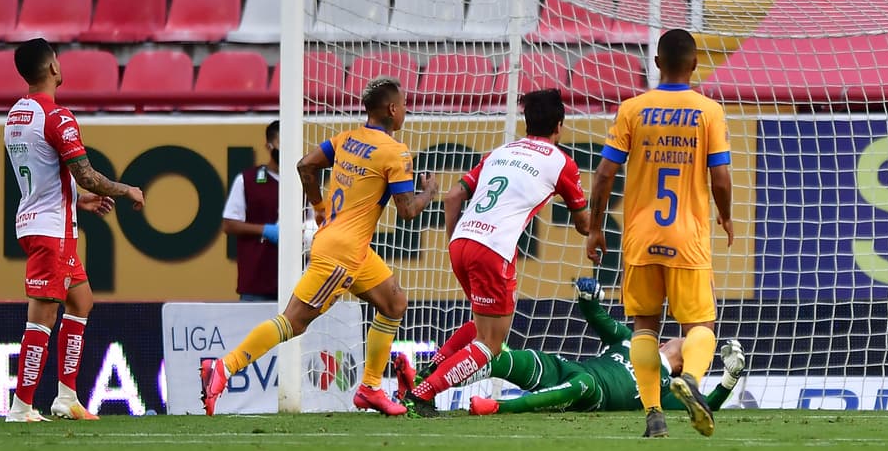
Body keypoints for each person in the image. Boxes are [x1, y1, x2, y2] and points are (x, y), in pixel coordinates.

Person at [200, 77, 439, 417]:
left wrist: (318, 206)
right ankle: (223, 368)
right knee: (293, 322)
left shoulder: (347, 139)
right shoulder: (395, 152)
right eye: (403, 105)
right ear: (391, 109)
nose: (405, 110)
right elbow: (407, 211)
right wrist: (429, 192)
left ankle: (370, 388)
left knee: (394, 302)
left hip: (350, 247)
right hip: (342, 254)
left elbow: (304, 165)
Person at [402, 89, 593, 417]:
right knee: (491, 345)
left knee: (480, 326)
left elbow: (451, 197)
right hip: (493, 250)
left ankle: (426, 370)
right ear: (559, 126)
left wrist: (455, 241)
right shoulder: (562, 162)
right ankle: (423, 392)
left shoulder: (500, 152)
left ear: (526, 121)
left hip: (461, 242)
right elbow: (584, 225)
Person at [587, 28, 734, 439]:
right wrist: (726, 216)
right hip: (687, 236)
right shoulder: (708, 111)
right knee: (700, 325)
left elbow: (603, 174)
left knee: (644, 328)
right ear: (693, 65)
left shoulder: (633, 108)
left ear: (656, 63)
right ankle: (692, 380)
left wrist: (596, 228)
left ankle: (654, 414)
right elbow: (720, 176)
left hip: (639, 238)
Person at [3, 38, 146, 422]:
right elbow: (86, 173)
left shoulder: (17, 115)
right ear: (52, 68)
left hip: (40, 218)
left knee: (81, 301)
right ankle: (21, 406)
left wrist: (75, 200)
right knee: (42, 316)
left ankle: (66, 397)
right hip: (52, 230)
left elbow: (42, 173)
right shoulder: (57, 117)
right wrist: (126, 188)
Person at [431, 278, 745, 417]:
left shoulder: (664, 390)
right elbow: (596, 315)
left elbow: (702, 407)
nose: (687, 341)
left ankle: (498, 407)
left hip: (592, 392)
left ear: (680, 368)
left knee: (581, 385)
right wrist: (587, 293)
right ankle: (424, 385)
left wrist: (729, 380)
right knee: (497, 355)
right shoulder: (631, 340)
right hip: (567, 367)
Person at [221, 120, 281, 302]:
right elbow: (229, 224)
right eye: (281, 143)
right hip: (256, 281)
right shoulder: (247, 180)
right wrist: (266, 230)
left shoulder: (304, 181)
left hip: (296, 282)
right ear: (268, 146)